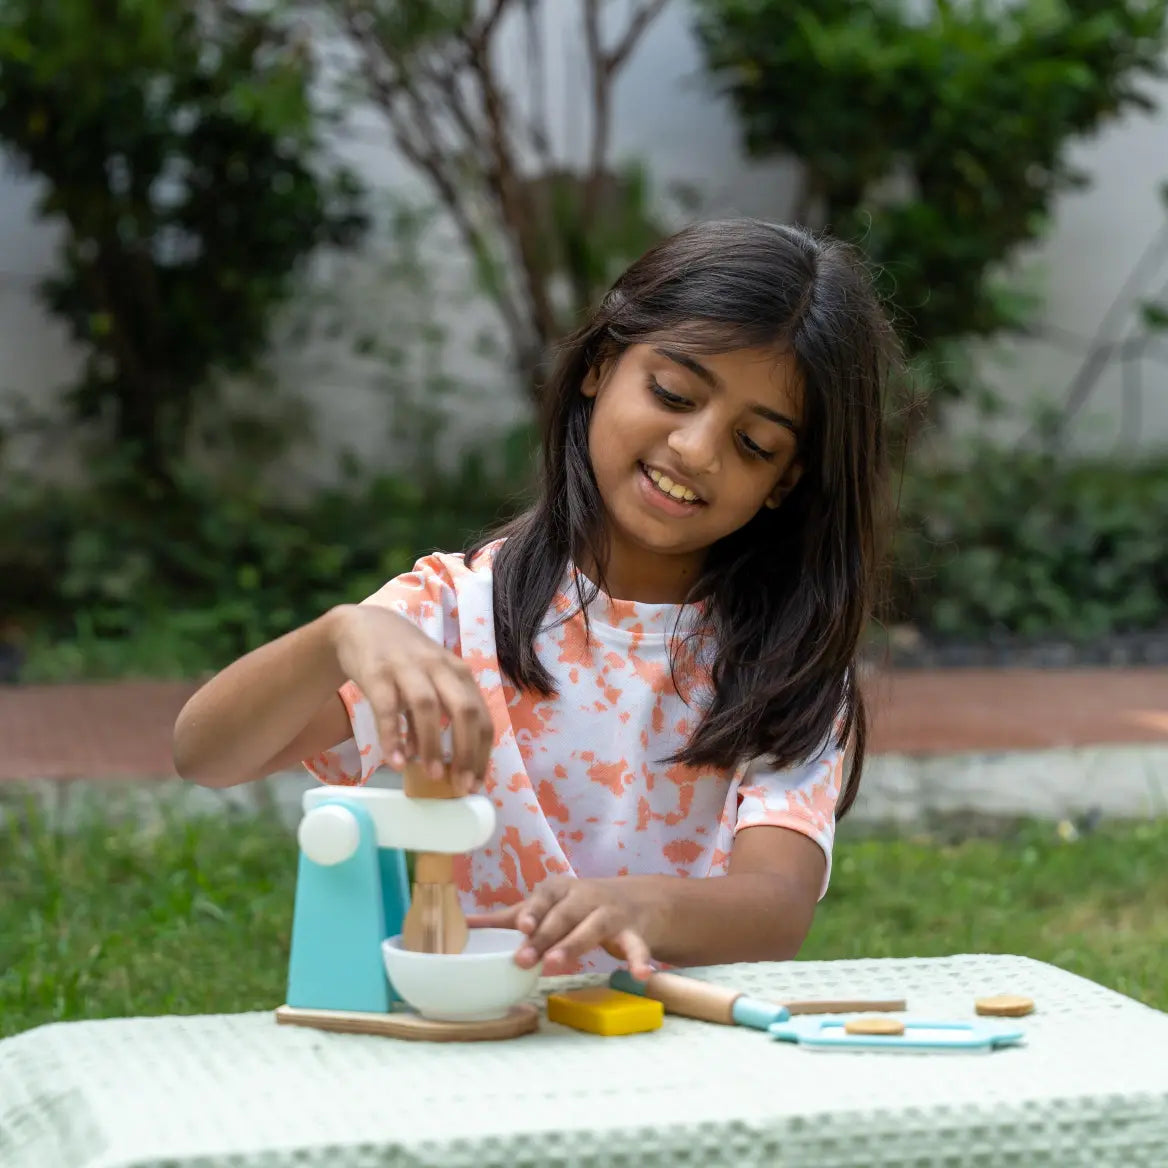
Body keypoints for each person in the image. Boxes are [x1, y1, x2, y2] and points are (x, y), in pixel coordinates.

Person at [174, 217, 896, 980]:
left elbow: (776, 908)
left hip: (683, 1038)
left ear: (784, 481)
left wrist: (638, 908)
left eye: (754, 445)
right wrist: (336, 639)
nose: (696, 449)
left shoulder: (788, 664)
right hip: (481, 1031)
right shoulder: (455, 612)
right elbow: (206, 755)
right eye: (673, 393)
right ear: (601, 366)